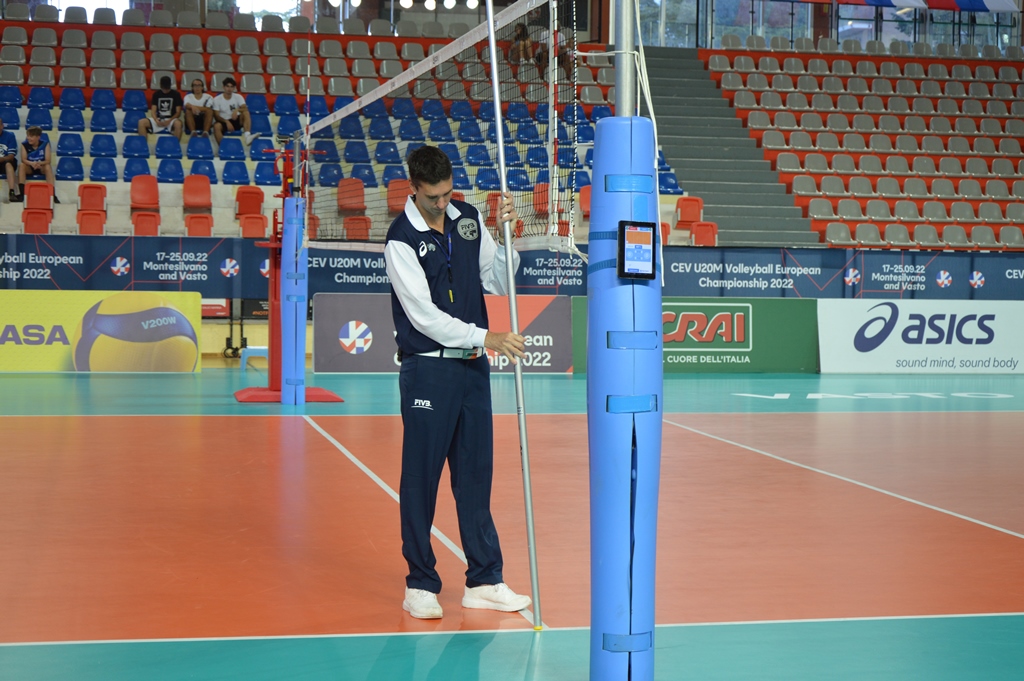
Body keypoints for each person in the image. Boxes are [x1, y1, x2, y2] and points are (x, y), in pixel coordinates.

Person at [384, 145, 531, 620]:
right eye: (433, 197)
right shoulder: (400, 240)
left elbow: (499, 281)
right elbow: (424, 317)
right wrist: (487, 336)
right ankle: (420, 583)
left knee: (475, 477)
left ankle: (484, 580)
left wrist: (507, 242)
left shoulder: (467, 219)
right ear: (413, 189)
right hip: (429, 369)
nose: (442, 203)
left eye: (448, 194)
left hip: (472, 370)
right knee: (421, 479)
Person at [211, 77, 259, 146]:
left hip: (236, 120)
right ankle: (223, 147)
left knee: (246, 112)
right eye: (227, 86)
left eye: (231, 87)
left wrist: (237, 110)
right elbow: (216, 116)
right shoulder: (217, 99)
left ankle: (247, 136)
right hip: (224, 121)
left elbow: (245, 108)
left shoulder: (238, 97)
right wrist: (226, 122)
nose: (229, 89)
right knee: (216, 126)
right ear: (223, 87)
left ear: (234, 88)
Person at [17, 126, 57, 203]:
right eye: (28, 136)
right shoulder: (24, 144)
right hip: (30, 166)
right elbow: (23, 159)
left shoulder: (45, 144)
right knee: (21, 166)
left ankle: (52, 194)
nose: (28, 138)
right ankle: (22, 194)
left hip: (41, 167)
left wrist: (39, 163)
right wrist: (32, 163)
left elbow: (48, 160)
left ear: (38, 137)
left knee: (48, 167)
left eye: (31, 136)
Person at [138, 75, 184, 140]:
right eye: (164, 88)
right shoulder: (156, 94)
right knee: (141, 122)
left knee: (178, 124)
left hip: (171, 119)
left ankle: (175, 144)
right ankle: (143, 143)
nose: (165, 90)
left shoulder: (176, 94)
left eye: (166, 88)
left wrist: (169, 121)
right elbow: (153, 111)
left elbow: (178, 112)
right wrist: (156, 120)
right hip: (159, 118)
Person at [0, 117, 17, 203]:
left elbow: (11, 156)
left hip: (5, 161)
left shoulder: (10, 135)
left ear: (2, 126)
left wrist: (2, 159)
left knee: (8, 164)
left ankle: (11, 192)